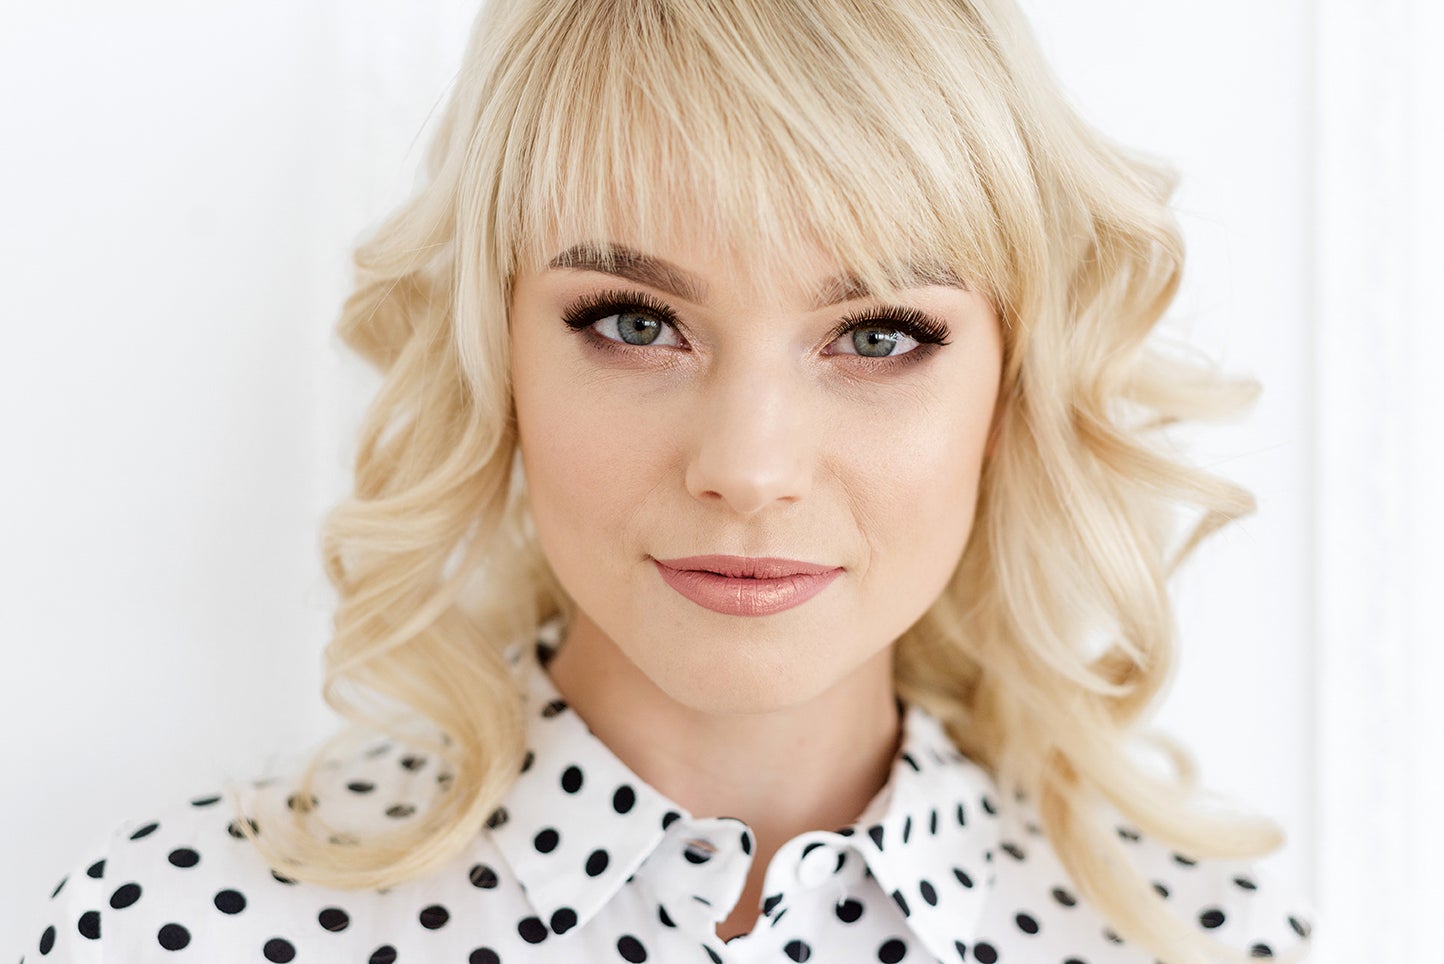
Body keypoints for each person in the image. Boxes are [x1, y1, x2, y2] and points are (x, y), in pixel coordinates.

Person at [20, 0, 1316, 961]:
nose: (748, 470)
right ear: (499, 359)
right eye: (636, 324)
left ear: (1011, 385)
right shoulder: (187, 926)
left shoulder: (1205, 941)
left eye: (877, 336)